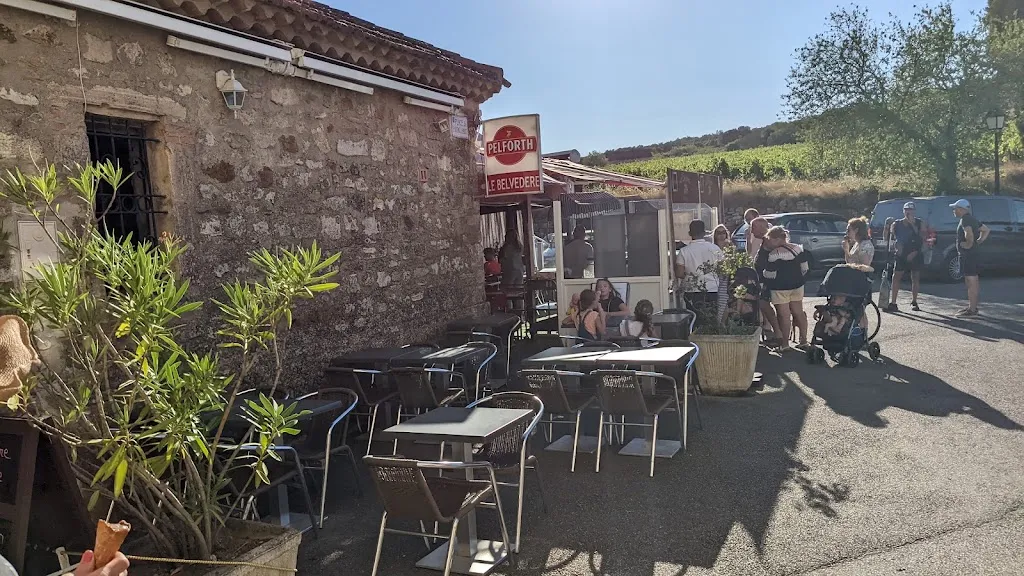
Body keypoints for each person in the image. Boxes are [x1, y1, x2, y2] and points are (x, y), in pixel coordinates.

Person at [758, 225, 810, 351]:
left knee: (784, 316)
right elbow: (805, 268)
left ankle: (785, 344)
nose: (769, 242)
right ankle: (803, 340)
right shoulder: (798, 248)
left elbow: (770, 274)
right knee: (798, 312)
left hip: (780, 288)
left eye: (770, 239)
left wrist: (764, 274)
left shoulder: (774, 254)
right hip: (797, 285)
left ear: (776, 239)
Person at [951, 199, 990, 317]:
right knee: (972, 280)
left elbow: (969, 234)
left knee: (971, 281)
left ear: (962, 209)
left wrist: (968, 244)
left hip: (969, 256)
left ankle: (972, 310)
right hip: (973, 254)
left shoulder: (965, 220)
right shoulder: (971, 219)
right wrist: (979, 241)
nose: (954, 210)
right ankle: (972, 306)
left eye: (955, 208)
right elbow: (986, 230)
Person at [675, 220, 724, 311]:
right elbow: (722, 269)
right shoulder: (715, 248)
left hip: (692, 289)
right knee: (711, 318)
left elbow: (679, 273)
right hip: (712, 288)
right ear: (704, 233)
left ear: (690, 233)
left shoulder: (684, 251)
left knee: (694, 319)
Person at [886, 202, 926, 312]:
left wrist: (912, 224)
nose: (909, 212)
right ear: (903, 211)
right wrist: (897, 249)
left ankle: (914, 301)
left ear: (914, 211)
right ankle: (893, 302)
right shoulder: (897, 223)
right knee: (896, 276)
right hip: (901, 253)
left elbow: (922, 238)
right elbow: (893, 238)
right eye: (907, 210)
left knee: (915, 277)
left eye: (911, 210)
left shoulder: (919, 222)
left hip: (915, 252)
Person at [749, 217, 783, 344]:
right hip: (763, 278)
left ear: (763, 228)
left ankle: (779, 334)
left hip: (769, 279)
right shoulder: (764, 241)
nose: (752, 231)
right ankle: (776, 333)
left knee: (766, 304)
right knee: (764, 304)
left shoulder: (770, 241)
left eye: (754, 228)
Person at [843, 216, 874, 329]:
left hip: (862, 280)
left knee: (860, 309)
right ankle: (860, 334)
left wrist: (848, 253)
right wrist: (846, 250)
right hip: (852, 279)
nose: (847, 232)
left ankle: (862, 333)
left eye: (848, 230)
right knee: (857, 309)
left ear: (856, 230)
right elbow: (848, 261)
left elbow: (864, 265)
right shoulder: (857, 244)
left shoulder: (866, 244)